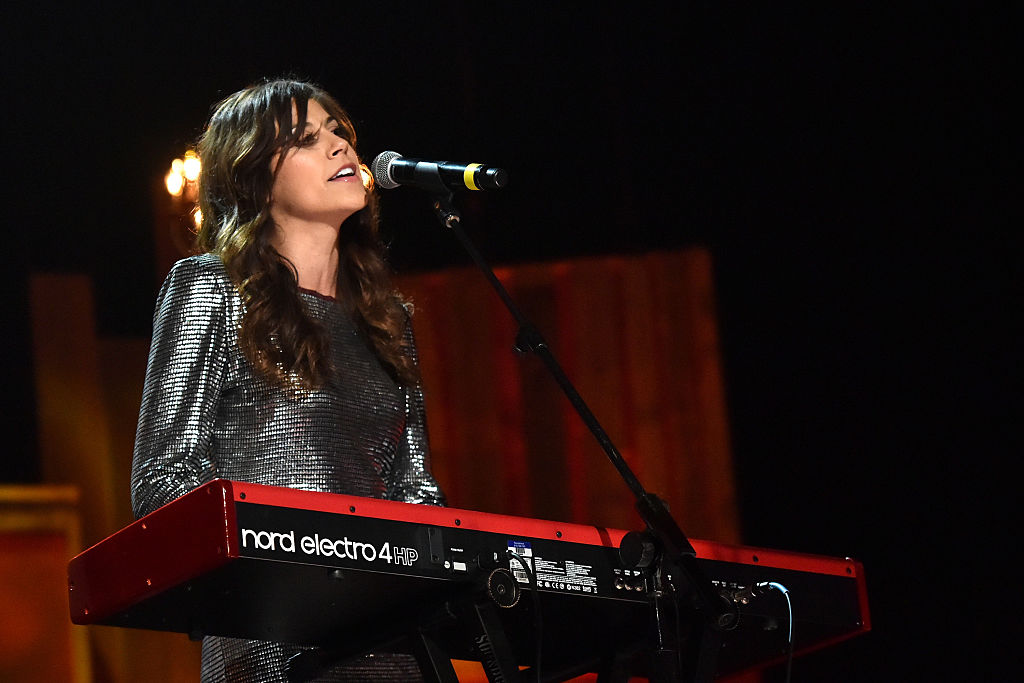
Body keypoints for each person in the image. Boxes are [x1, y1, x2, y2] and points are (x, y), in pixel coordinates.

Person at [130, 78, 445, 682]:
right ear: (254, 177)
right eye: (305, 139)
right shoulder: (213, 288)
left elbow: (416, 489)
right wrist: (283, 551)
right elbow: (164, 479)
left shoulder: (388, 320)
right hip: (271, 640)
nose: (339, 146)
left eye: (338, 131)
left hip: (396, 642)